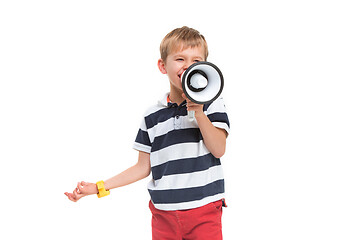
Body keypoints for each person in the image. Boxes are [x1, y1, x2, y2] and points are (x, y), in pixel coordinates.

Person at [65, 26, 230, 240]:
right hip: (164, 215)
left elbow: (218, 149)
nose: (188, 66)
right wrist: (99, 187)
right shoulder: (152, 116)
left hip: (203, 211)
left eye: (196, 61)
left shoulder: (212, 103)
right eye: (180, 59)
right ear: (163, 66)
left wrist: (199, 112)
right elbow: (142, 167)